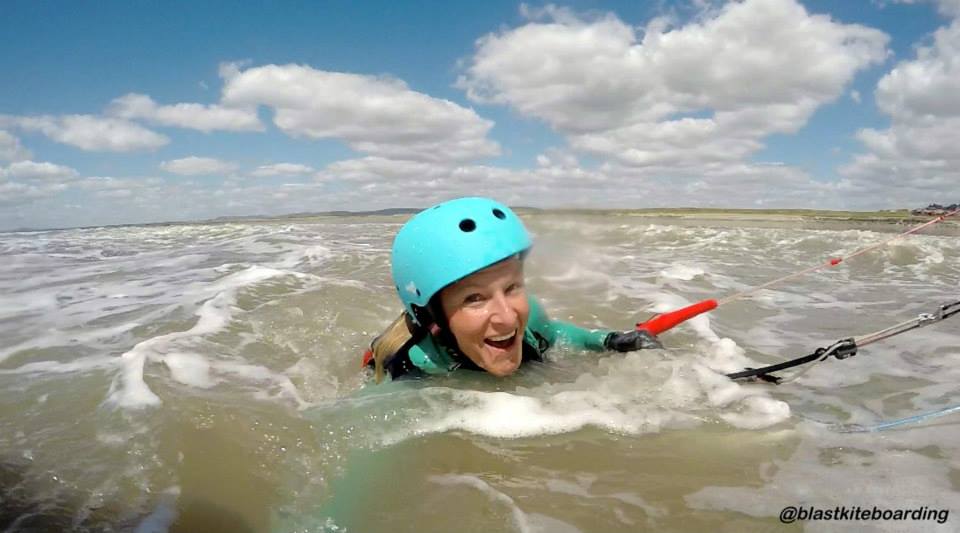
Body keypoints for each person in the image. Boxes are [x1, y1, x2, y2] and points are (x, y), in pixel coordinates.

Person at [364, 197, 662, 383]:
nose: (508, 318)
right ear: (433, 316)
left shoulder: (530, 319)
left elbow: (557, 334)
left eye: (511, 288)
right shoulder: (411, 367)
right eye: (474, 298)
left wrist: (608, 340)